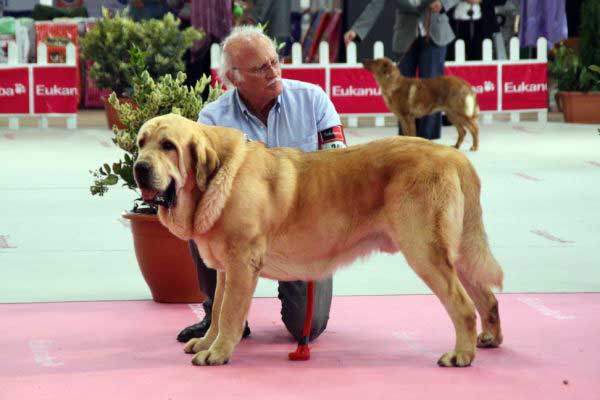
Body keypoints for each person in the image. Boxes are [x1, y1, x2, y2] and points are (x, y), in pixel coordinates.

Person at [177, 25, 346, 344]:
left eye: (274, 61)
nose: (273, 70)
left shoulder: (313, 100)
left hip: (302, 228)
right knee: (197, 210)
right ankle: (220, 313)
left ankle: (286, 299)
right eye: (260, 67)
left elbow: (339, 169)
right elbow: (200, 186)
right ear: (234, 78)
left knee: (308, 329)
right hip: (239, 229)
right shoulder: (212, 120)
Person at [344, 0, 459, 140]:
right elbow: (376, 4)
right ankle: (406, 140)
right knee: (401, 91)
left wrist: (443, 3)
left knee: (432, 89)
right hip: (405, 36)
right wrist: (356, 30)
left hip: (435, 33)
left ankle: (428, 140)